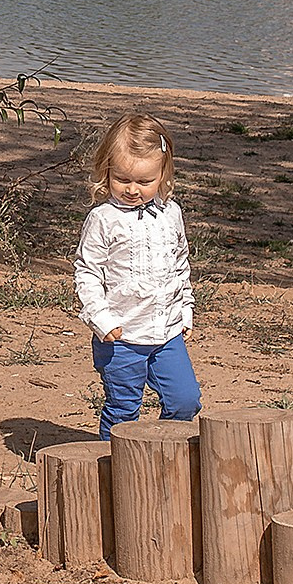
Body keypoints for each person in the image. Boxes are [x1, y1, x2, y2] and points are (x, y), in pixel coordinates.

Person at [74, 112, 201, 439]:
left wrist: (185, 308)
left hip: (166, 333)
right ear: (107, 171)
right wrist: (100, 318)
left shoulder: (171, 213)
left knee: (185, 400)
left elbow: (180, 263)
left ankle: (161, 450)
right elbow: (87, 273)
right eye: (122, 179)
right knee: (124, 409)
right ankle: (110, 470)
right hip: (122, 337)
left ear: (163, 174)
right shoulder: (104, 219)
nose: (132, 189)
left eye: (144, 182)